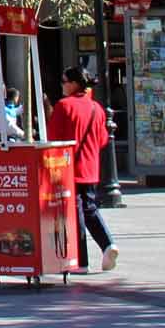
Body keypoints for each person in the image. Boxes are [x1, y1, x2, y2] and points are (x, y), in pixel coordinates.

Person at [45, 66, 117, 273]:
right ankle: (108, 244)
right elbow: (103, 139)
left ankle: (81, 261)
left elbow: (53, 139)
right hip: (90, 168)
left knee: (75, 213)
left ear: (75, 83)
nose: (62, 84)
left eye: (64, 80)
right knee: (89, 208)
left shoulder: (63, 106)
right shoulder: (97, 108)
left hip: (69, 168)